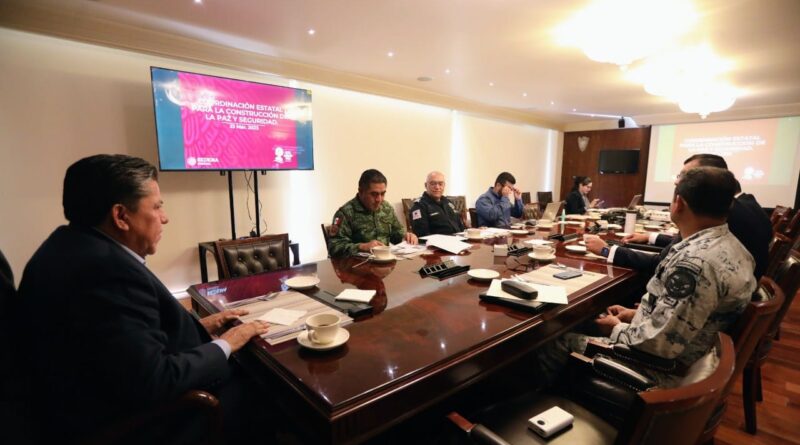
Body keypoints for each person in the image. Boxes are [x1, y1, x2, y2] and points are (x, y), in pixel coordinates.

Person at [14, 154, 270, 443]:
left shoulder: (66, 245)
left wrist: (202, 325)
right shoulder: (106, 270)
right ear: (121, 216)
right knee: (265, 385)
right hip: (144, 422)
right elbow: (157, 380)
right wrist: (227, 343)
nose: (165, 217)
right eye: (157, 206)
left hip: (86, 401)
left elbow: (120, 342)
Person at [539, 167, 756, 387]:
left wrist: (615, 328)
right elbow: (689, 315)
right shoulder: (735, 247)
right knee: (585, 322)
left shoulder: (694, 264)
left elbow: (659, 343)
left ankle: (551, 402)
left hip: (660, 371)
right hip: (692, 355)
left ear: (679, 203)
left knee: (553, 341)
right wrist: (635, 315)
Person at [586, 153, 772, 280]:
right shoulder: (743, 207)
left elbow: (663, 263)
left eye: (685, 176)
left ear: (707, 178)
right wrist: (651, 237)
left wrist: (607, 251)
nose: (677, 181)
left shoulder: (719, 219)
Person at [329, 169, 418, 257]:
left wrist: (406, 236)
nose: (379, 199)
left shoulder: (386, 208)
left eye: (382, 194)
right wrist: (362, 247)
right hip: (357, 263)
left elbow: (396, 232)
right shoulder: (345, 213)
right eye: (374, 194)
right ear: (361, 191)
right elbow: (334, 247)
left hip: (384, 261)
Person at [409, 171, 465, 236]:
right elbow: (422, 235)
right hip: (438, 241)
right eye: (433, 184)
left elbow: (461, 227)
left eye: (440, 184)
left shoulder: (448, 203)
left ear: (444, 186)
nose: (437, 187)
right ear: (426, 185)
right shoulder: (419, 206)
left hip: (459, 239)